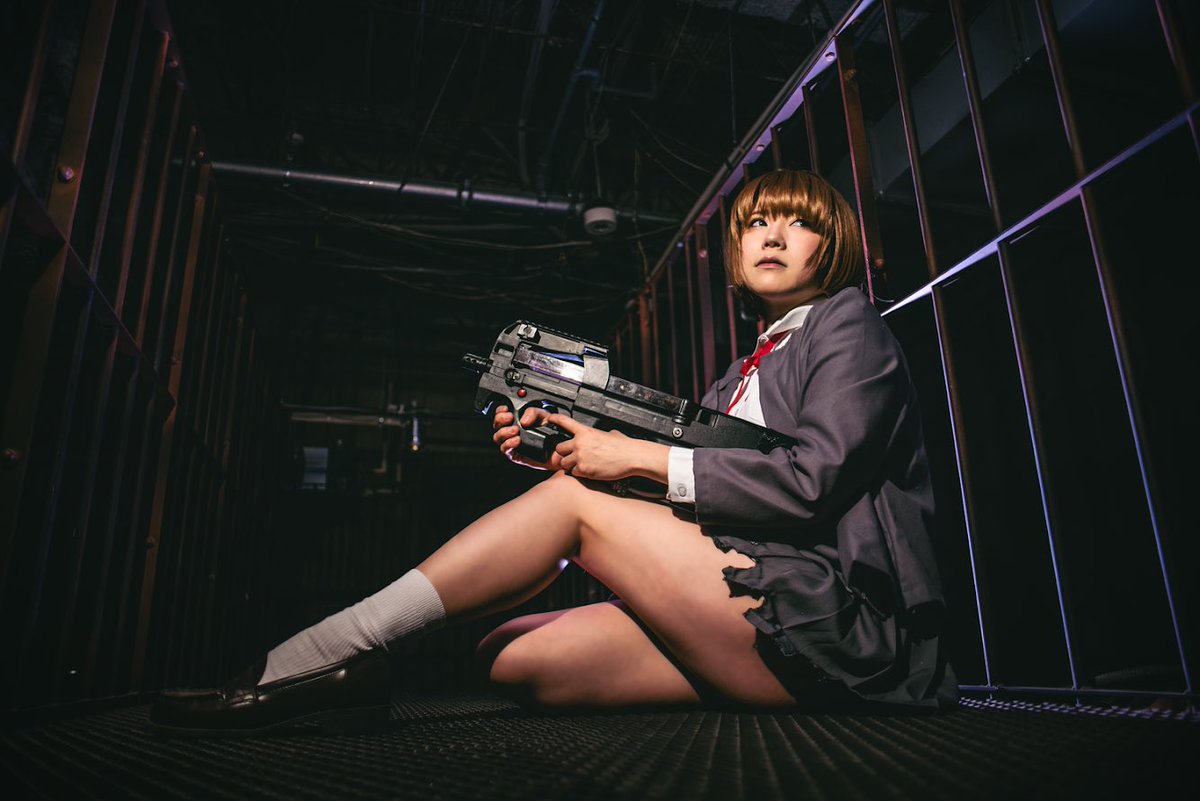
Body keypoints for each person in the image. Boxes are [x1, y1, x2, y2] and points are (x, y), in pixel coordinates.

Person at [151, 169, 956, 735]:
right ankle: (737, 680)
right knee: (511, 657)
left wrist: (624, 462)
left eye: (799, 222)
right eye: (755, 222)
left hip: (839, 621)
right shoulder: (741, 371)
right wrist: (572, 455)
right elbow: (710, 495)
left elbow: (811, 483)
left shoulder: (848, 325)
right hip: (756, 598)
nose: (773, 234)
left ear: (830, 245)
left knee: (574, 508)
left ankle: (323, 653)